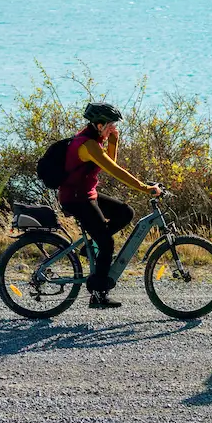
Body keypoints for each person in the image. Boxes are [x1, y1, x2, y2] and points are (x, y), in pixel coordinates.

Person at [48, 102, 162, 309]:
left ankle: (91, 246)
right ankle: (98, 293)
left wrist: (114, 140)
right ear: (99, 125)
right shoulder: (89, 145)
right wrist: (145, 188)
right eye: (111, 124)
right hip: (76, 198)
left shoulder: (95, 140)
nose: (114, 127)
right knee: (107, 243)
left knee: (125, 212)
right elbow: (114, 170)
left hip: (86, 194)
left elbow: (110, 162)